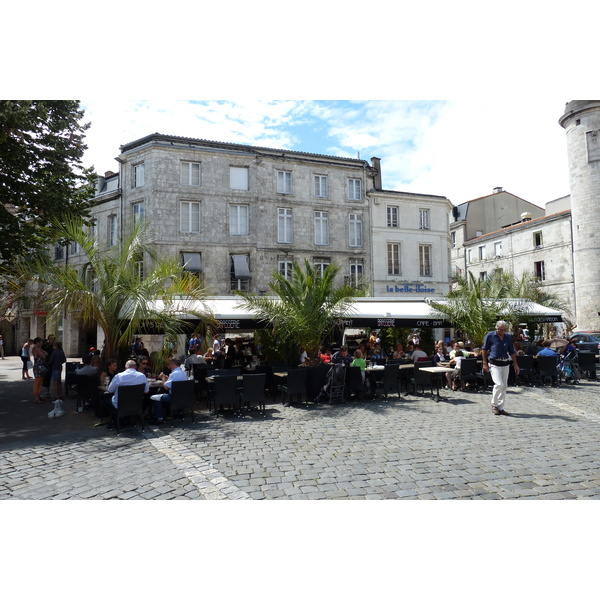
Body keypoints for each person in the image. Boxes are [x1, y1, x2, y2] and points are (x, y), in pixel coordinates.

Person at [482, 320, 520, 416]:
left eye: (503, 330)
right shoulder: (490, 336)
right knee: (499, 384)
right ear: (496, 328)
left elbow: (511, 351)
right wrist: (484, 363)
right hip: (494, 362)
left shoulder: (507, 337)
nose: (501, 332)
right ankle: (494, 405)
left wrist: (515, 364)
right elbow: (484, 349)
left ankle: (501, 407)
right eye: (500, 330)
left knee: (505, 386)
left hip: (505, 362)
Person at [149, 357, 188, 423]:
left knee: (155, 397)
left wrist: (163, 379)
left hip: (173, 397)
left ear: (173, 364)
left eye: (170, 364)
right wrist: (168, 378)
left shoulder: (174, 374)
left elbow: (166, 387)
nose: (169, 366)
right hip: (183, 397)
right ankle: (174, 413)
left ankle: (159, 417)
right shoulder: (183, 373)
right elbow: (174, 382)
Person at [31, 337, 48, 404]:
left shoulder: (39, 348)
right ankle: (36, 397)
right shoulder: (36, 349)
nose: (42, 343)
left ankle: (38, 395)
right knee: (37, 382)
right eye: (41, 341)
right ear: (37, 342)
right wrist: (44, 353)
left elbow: (46, 353)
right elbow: (44, 356)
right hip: (38, 367)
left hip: (40, 366)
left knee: (40, 381)